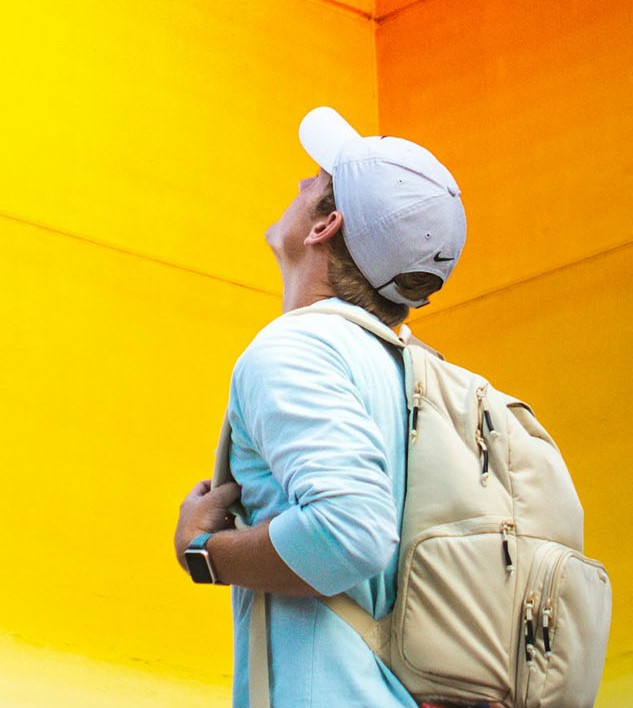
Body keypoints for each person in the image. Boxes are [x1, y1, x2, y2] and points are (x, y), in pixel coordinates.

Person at [171, 106, 466, 707]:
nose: (302, 182)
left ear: (324, 225)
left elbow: (350, 532)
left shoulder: (296, 350)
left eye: (316, 179)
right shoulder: (420, 373)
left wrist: (205, 553)